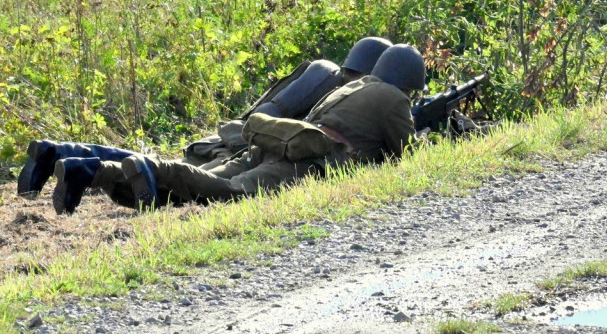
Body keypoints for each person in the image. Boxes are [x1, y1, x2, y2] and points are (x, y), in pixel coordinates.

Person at [22, 36, 392, 213]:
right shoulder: (345, 90)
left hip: (232, 135)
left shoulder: (320, 70)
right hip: (250, 148)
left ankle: (75, 160)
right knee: (176, 184)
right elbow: (298, 132)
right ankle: (83, 165)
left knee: (169, 180)